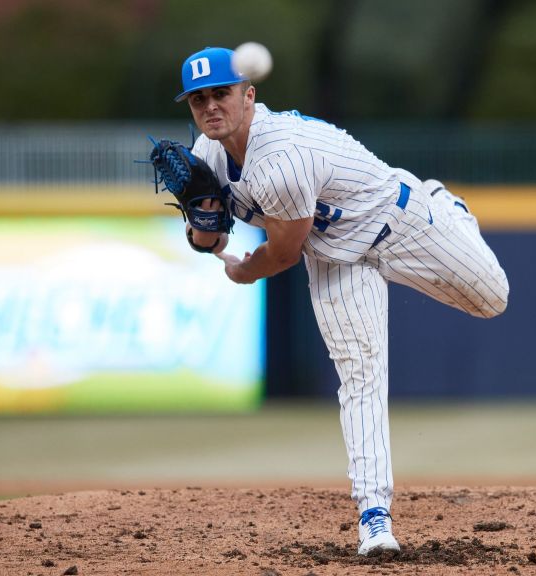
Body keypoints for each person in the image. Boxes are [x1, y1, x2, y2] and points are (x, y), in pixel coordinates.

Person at [173, 46, 509, 555]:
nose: (211, 107)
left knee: (494, 299)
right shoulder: (207, 156)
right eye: (199, 99)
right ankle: (374, 519)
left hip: (398, 221)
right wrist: (205, 232)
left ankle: (447, 203)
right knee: (360, 374)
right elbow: (208, 237)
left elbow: (281, 254)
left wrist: (243, 272)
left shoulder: (279, 157)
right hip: (334, 256)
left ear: (249, 95)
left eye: (221, 93)